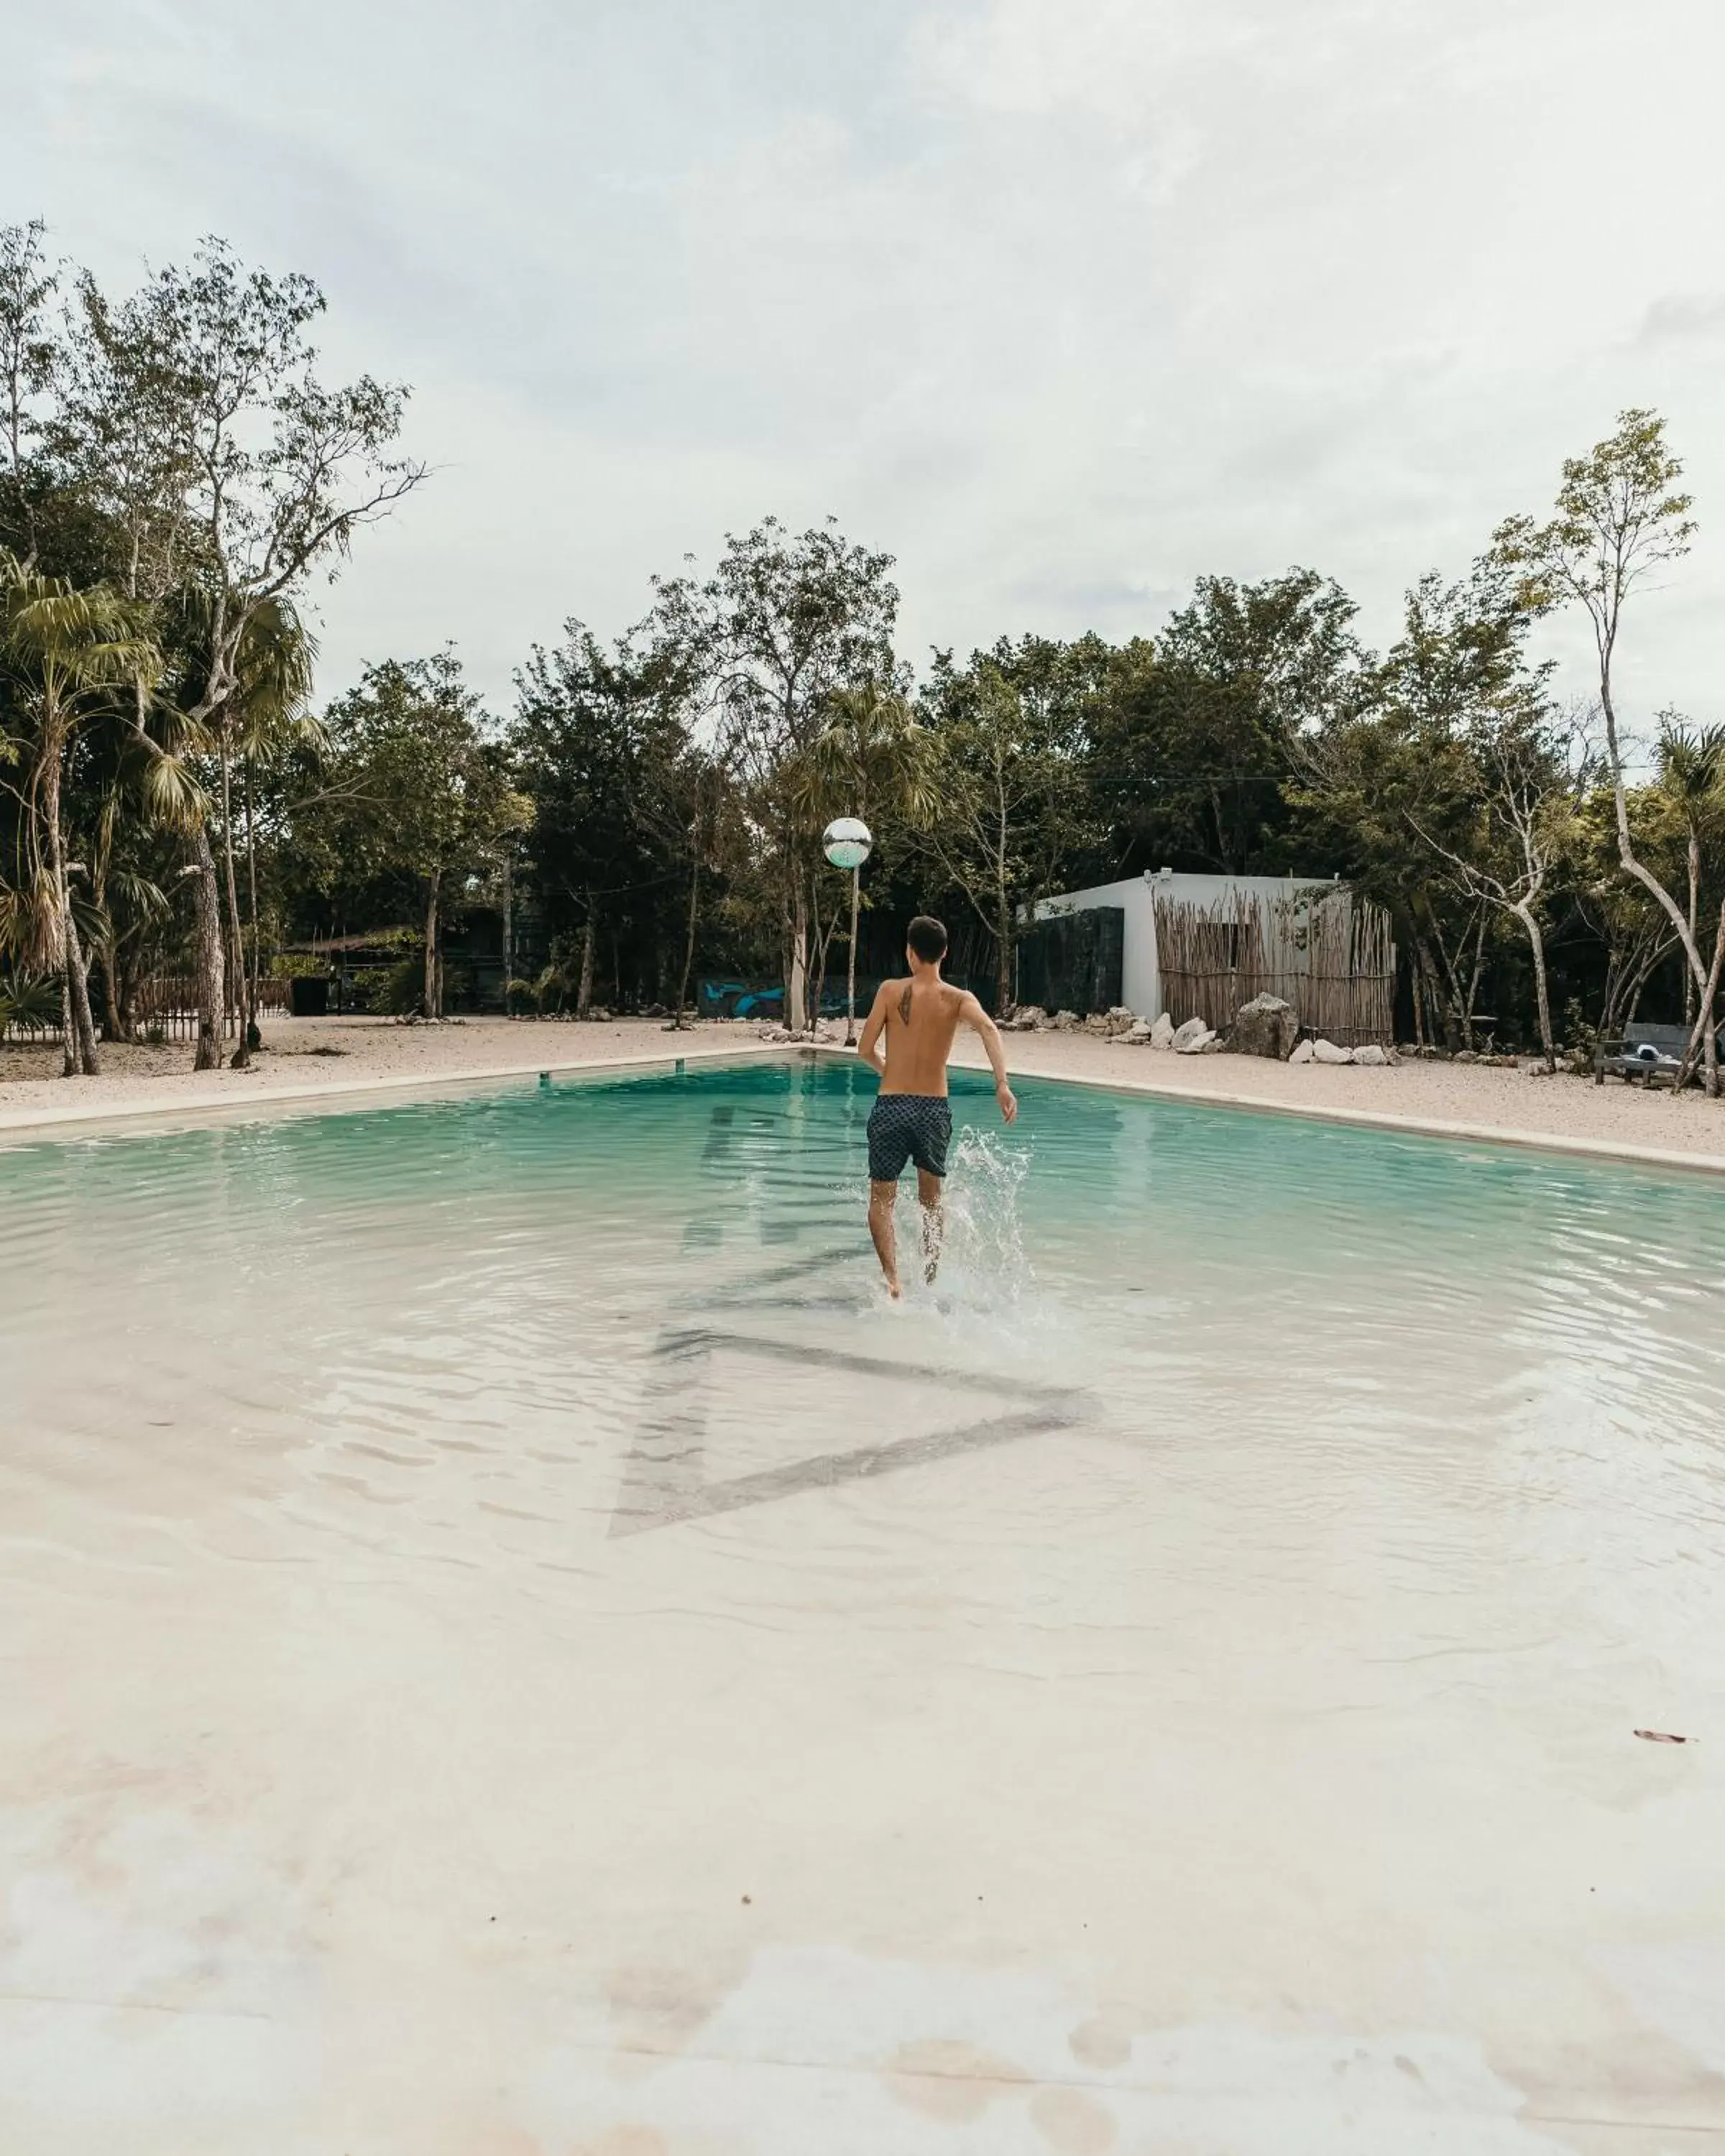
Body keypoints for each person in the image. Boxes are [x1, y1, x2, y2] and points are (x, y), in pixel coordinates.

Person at [856, 914, 1018, 1299]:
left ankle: (892, 1279)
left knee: (882, 1199)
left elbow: (864, 1049)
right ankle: (929, 1274)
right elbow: (990, 1029)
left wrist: (888, 1072)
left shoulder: (890, 992)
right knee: (931, 1200)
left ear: (910, 953)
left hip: (891, 1105)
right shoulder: (958, 998)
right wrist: (1002, 1085)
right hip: (933, 1110)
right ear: (945, 953)